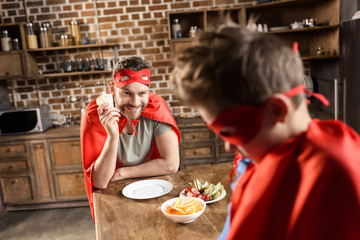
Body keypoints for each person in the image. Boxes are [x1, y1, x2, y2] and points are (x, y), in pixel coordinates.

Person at [171, 23, 360, 240]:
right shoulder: (265, 152)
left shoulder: (334, 173)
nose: (228, 146)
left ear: (277, 110)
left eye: (230, 132)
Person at [81, 57, 180, 220]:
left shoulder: (157, 108)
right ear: (112, 88)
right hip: (113, 197)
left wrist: (121, 173)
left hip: (153, 189)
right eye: (127, 93)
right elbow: (100, 181)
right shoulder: (94, 115)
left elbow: (171, 164)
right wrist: (113, 137)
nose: (135, 102)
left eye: (142, 93)